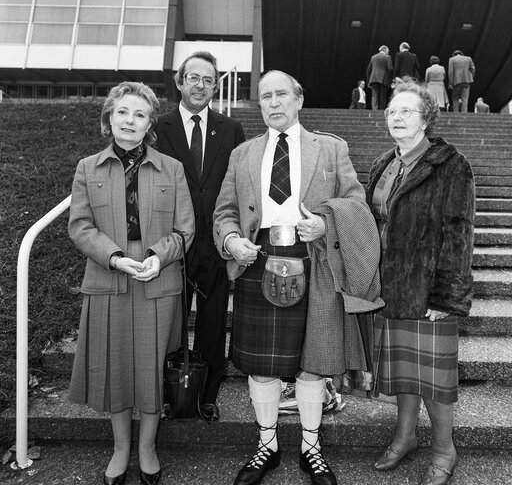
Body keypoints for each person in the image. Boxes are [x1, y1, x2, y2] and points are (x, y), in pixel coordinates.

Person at [213, 70, 383, 485]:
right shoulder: (243, 154)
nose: (273, 102)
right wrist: (232, 239)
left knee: (313, 363)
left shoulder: (330, 147)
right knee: (261, 365)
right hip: (259, 258)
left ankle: (312, 447)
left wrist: (326, 223)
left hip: (314, 259)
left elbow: (356, 202)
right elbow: (224, 212)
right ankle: (266, 445)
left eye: (281, 94)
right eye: (265, 96)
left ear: (299, 99)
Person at [68, 82, 195, 485]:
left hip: (158, 278)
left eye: (139, 115)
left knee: (152, 366)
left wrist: (159, 256)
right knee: (116, 366)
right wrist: (117, 258)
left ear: (149, 124)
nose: (130, 121)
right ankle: (122, 447)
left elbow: (185, 228)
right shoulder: (88, 167)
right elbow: (81, 227)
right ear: (109, 118)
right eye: (123, 112)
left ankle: (147, 447)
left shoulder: (171, 168)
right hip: (109, 277)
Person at [367, 78, 475, 485]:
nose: (396, 117)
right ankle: (404, 437)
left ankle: (445, 449)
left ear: (426, 118)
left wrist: (448, 294)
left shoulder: (450, 164)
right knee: (404, 373)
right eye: (392, 111)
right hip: (390, 287)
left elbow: (459, 229)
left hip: (430, 289)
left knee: (435, 379)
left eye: (406, 111)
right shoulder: (383, 162)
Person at [155, 51, 246, 422]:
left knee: (211, 324)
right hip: (173, 242)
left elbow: (237, 184)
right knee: (170, 322)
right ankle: (169, 394)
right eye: (194, 78)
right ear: (180, 81)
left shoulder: (230, 129)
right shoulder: (158, 127)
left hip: (214, 243)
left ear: (216, 87)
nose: (201, 86)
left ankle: (206, 396)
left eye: (209, 80)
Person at [367, 45, 393, 110]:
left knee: (374, 95)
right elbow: (390, 69)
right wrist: (390, 79)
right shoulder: (387, 57)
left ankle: (374, 110)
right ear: (385, 50)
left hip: (373, 78)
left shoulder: (373, 57)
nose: (388, 52)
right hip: (384, 79)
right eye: (388, 51)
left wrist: (368, 80)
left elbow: (368, 70)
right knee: (383, 96)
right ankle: (381, 111)